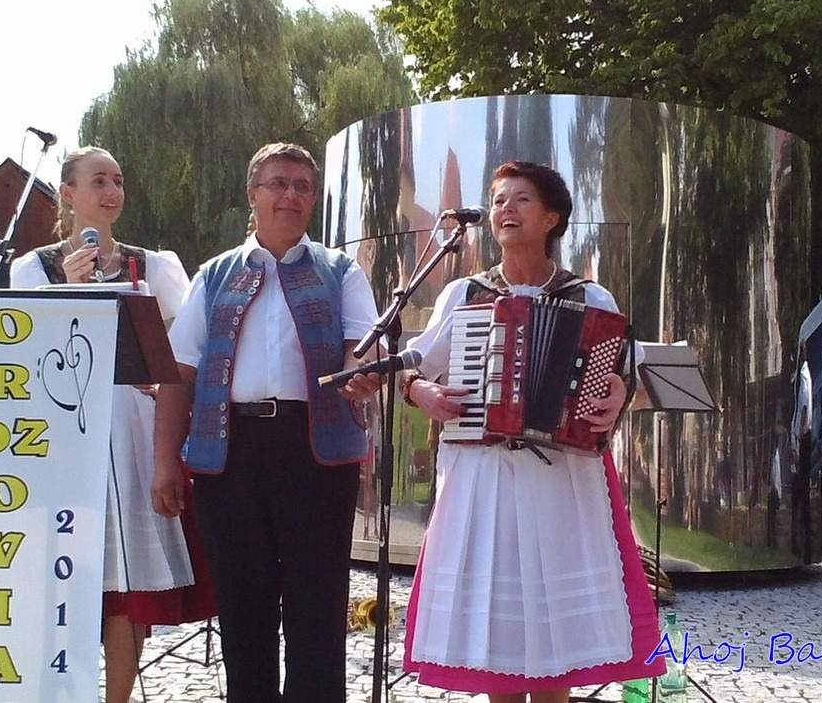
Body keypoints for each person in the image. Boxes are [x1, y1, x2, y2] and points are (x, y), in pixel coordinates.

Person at [399, 161, 664, 703]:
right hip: (483, 474)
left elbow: (631, 383)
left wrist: (620, 395)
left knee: (553, 629)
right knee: (498, 628)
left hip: (562, 479)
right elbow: (413, 366)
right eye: (499, 200)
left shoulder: (591, 299)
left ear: (552, 218)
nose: (505, 209)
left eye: (521, 199)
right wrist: (419, 391)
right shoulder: (464, 294)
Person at [151, 142, 382, 703]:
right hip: (230, 454)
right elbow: (179, 372)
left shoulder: (341, 271)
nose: (290, 195)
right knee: (243, 607)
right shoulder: (214, 275)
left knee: (318, 607)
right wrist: (164, 461)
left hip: (316, 454)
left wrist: (361, 373)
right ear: (252, 194)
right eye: (278, 183)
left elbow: (363, 346)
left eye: (302, 186)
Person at [10, 146, 217, 703]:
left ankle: (116, 698)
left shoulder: (154, 265)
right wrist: (64, 293)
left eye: (119, 180)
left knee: (126, 582)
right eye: (99, 180)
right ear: (68, 193)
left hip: (130, 435)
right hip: (60, 438)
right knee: (66, 572)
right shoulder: (32, 269)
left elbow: (190, 348)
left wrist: (161, 376)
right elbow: (21, 357)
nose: (112, 191)